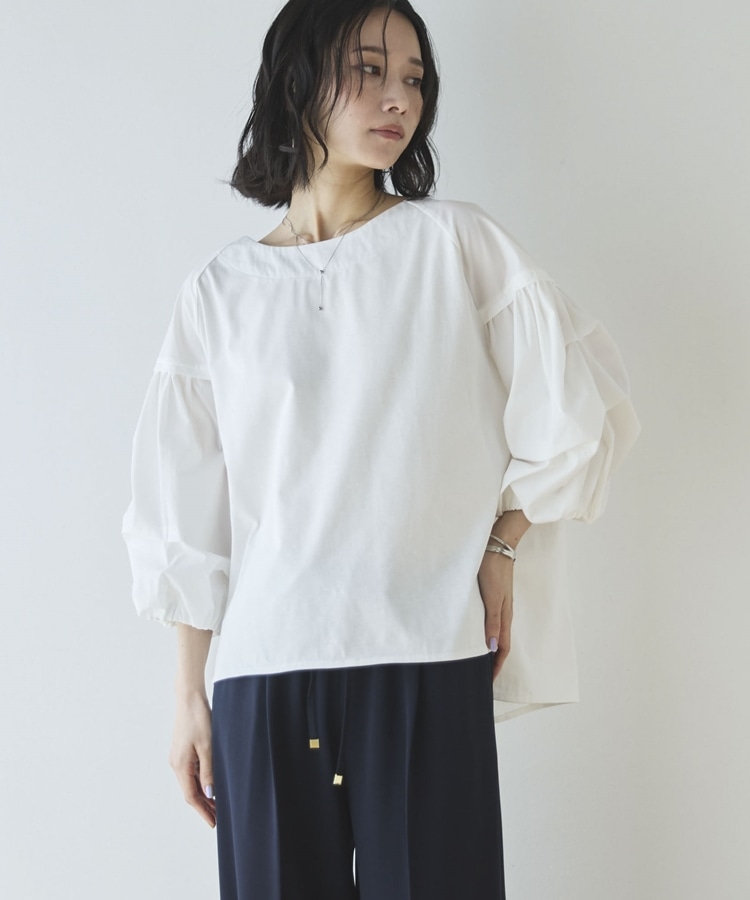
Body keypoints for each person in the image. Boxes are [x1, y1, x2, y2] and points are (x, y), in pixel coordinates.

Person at [121, 1, 640, 898]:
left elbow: (580, 408)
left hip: (424, 658)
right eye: (368, 70)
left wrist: (505, 542)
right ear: (298, 81)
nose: (399, 97)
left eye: (414, 78)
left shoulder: (455, 246)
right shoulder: (219, 292)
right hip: (265, 676)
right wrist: (187, 698)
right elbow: (185, 518)